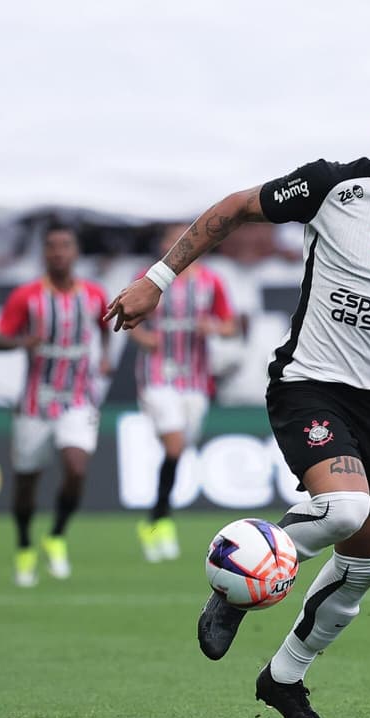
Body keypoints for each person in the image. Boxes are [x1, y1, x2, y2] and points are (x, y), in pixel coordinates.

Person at [103, 77, 370, 718]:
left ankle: (283, 677)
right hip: (308, 383)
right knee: (344, 507)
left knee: (366, 564)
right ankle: (235, 584)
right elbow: (233, 210)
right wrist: (157, 280)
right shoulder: (332, 186)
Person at [0, 224, 111, 587]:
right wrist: (22, 341)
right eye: (51, 247)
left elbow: (106, 326)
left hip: (78, 399)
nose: (58, 252)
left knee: (76, 467)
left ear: (75, 253)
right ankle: (25, 543)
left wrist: (105, 357)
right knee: (27, 481)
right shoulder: (27, 296)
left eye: (65, 246)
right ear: (44, 254)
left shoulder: (92, 294)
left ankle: (56, 536)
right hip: (36, 402)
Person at [131, 224, 239, 562]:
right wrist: (144, 338)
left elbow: (230, 324)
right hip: (158, 375)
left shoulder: (211, 282)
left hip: (195, 380)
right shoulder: (149, 278)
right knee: (175, 445)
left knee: (180, 450)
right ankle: (159, 521)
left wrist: (215, 327)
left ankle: (156, 518)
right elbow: (127, 314)